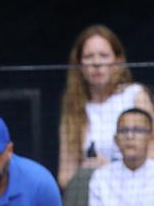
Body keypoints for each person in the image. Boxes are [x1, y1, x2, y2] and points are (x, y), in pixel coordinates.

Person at [57, 25, 154, 188]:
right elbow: (65, 177)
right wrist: (86, 171)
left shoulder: (136, 95)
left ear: (117, 60)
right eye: (89, 56)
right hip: (93, 190)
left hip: (139, 188)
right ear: (79, 64)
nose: (97, 63)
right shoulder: (74, 108)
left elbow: (152, 155)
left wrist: (110, 169)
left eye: (104, 55)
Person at [86, 108, 154, 206]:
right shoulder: (101, 177)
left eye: (138, 130)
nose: (130, 136)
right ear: (116, 139)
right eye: (123, 130)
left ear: (151, 137)